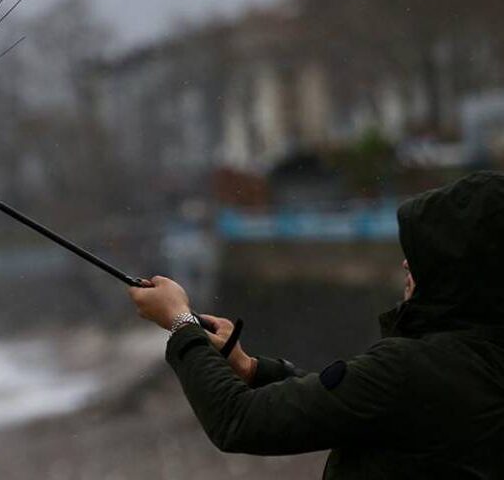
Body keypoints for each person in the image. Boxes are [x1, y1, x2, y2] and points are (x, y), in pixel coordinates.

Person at [129, 171, 504, 478]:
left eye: (422, 255)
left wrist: (179, 322)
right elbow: (350, 406)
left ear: (457, 270)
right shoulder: (477, 362)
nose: (406, 265)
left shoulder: (411, 371)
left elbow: (239, 420)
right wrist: (251, 368)